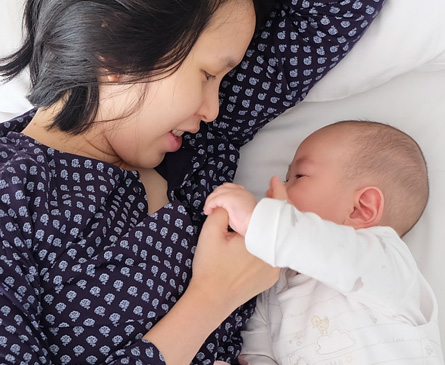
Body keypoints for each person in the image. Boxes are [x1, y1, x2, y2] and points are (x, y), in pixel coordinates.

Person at [0, 0, 386, 363]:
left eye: (222, 79)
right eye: (207, 74)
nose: (212, 107)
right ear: (116, 49)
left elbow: (321, 22)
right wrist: (213, 295)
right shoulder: (13, 189)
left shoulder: (197, 144)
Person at [204, 120, 444, 364]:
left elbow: (323, 249)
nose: (277, 187)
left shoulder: (386, 262)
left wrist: (261, 221)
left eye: (299, 176)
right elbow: (260, 350)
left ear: (360, 208)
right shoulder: (276, 282)